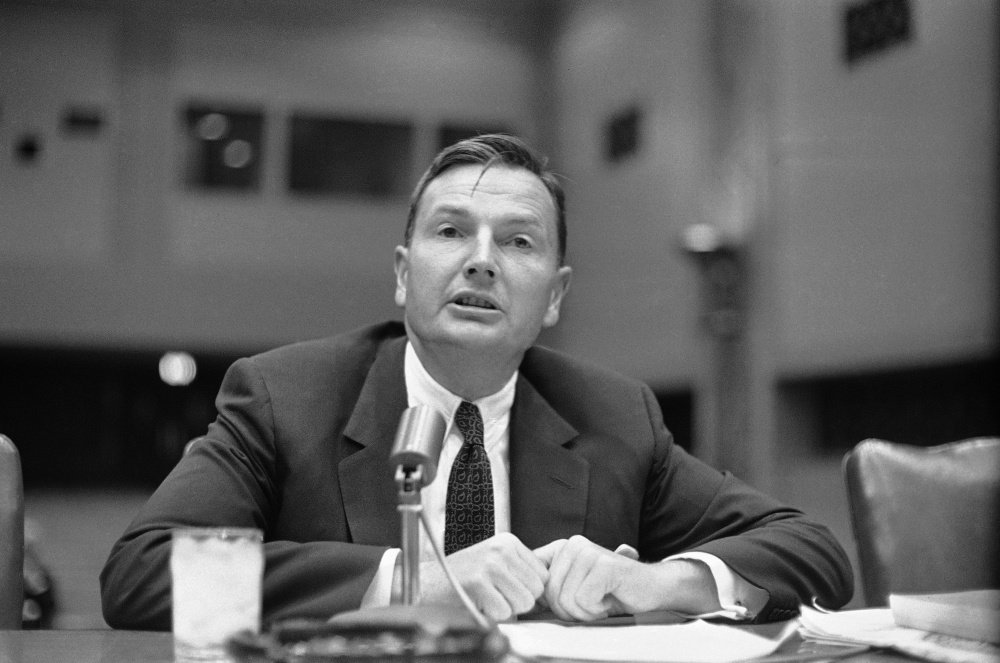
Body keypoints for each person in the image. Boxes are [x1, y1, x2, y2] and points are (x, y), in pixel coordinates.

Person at [100, 134, 852, 630]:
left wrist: (663, 582)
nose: (482, 260)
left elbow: (813, 551)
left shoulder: (615, 417)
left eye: (517, 241)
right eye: (452, 231)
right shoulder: (285, 397)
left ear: (555, 295)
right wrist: (409, 581)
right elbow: (140, 576)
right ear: (404, 274)